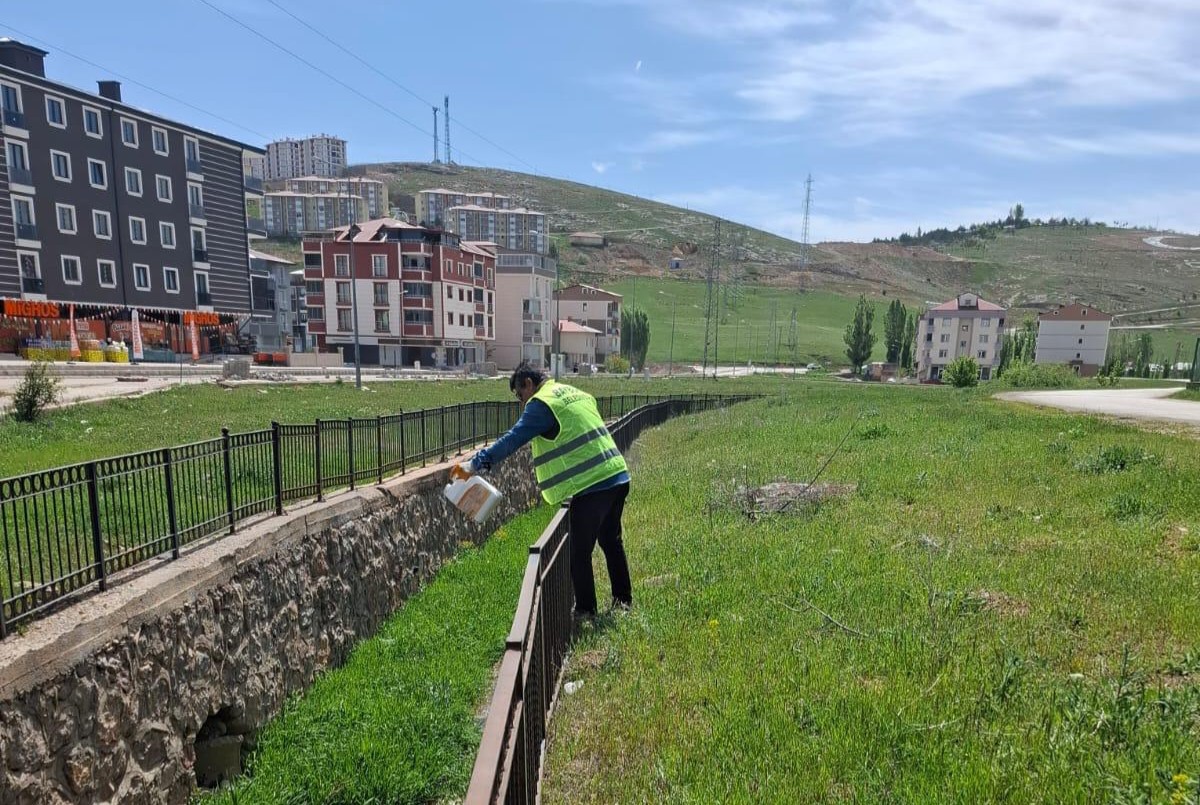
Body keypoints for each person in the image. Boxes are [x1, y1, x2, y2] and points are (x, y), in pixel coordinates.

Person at [455, 363, 632, 618]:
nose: (521, 402)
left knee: (578, 552)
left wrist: (476, 463)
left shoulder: (541, 404)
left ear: (528, 383)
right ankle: (623, 602)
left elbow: (513, 439)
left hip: (592, 484)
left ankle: (586, 611)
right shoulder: (573, 392)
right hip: (617, 475)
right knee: (611, 541)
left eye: (519, 395)